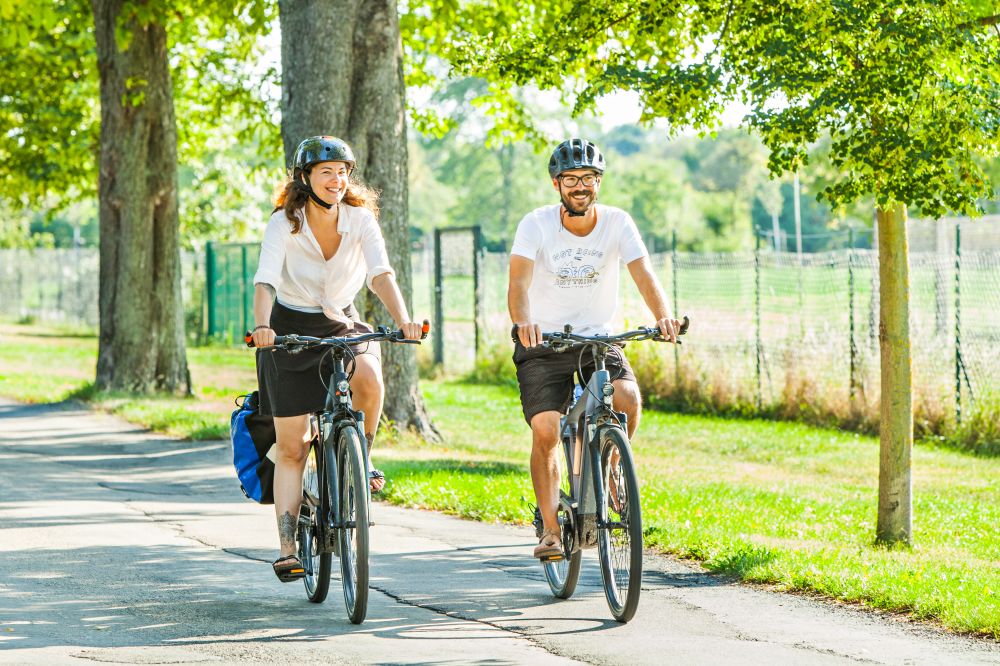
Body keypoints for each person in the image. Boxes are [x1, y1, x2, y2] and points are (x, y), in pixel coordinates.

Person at [250, 135, 422, 582]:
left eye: (343, 171)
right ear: (305, 178)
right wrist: (263, 326)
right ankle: (288, 547)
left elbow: (381, 273)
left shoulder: (361, 220)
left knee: (370, 374)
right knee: (292, 447)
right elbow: (266, 279)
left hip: (340, 322)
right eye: (326, 172)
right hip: (286, 329)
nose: (337, 179)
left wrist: (403, 318)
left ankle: (359, 457)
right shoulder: (283, 224)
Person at [507, 138, 683, 560]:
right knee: (547, 429)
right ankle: (551, 530)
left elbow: (643, 273)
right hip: (544, 342)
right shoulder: (536, 223)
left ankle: (611, 469)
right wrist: (523, 321)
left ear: (599, 182)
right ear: (557, 185)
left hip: (597, 339)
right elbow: (518, 281)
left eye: (588, 178)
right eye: (571, 179)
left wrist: (664, 315)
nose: (580, 186)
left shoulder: (618, 223)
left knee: (627, 398)